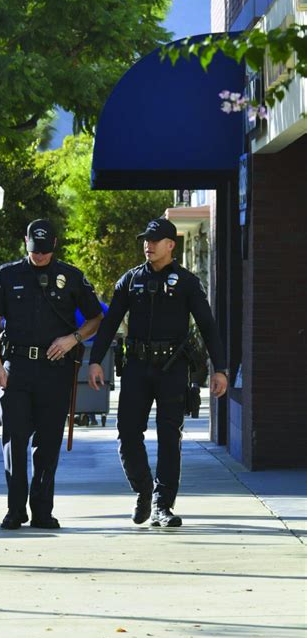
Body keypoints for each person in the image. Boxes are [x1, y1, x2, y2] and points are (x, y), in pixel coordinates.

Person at [88, 217, 228, 528]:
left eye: (155, 241)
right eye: (145, 240)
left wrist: (221, 369)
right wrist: (95, 360)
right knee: (127, 433)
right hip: (137, 366)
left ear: (171, 245)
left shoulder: (188, 282)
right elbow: (110, 323)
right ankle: (142, 490)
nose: (148, 246)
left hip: (172, 368)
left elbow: (208, 326)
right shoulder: (130, 280)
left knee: (169, 436)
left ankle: (163, 505)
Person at [0, 218, 103, 530]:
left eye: (45, 252)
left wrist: (73, 338)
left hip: (54, 371)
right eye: (35, 251)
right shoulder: (7, 275)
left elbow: (95, 317)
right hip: (16, 369)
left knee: (48, 443)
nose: (39, 257)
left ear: (55, 246)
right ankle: (15, 509)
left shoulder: (71, 277)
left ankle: (42, 510)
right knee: (14, 440)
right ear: (25, 242)